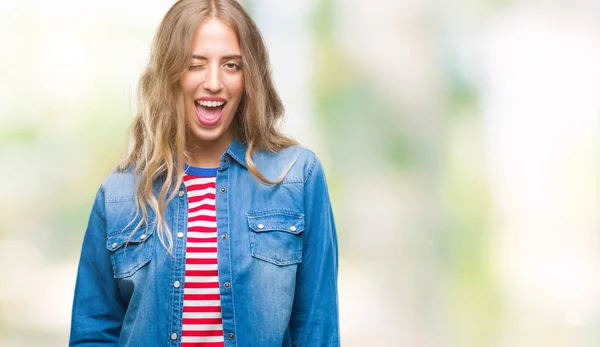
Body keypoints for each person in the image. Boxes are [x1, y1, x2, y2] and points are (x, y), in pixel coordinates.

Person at [69, 0, 340, 346]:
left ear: (249, 77)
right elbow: (93, 334)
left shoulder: (297, 177)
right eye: (195, 65)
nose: (214, 82)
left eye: (231, 65)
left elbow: (317, 331)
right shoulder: (120, 194)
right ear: (171, 75)